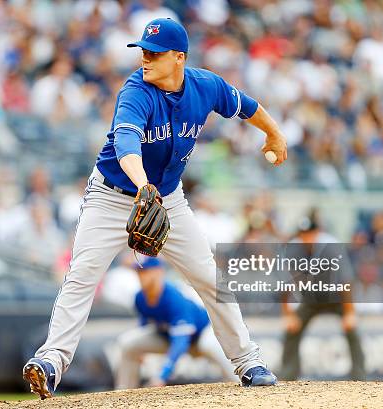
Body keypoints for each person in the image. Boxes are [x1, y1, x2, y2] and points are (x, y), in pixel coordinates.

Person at [23, 18, 287, 399]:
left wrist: (274, 132)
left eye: (155, 53)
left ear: (179, 57)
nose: (145, 58)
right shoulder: (135, 91)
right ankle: (50, 362)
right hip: (112, 195)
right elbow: (126, 140)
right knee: (81, 275)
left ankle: (248, 363)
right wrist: (143, 183)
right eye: (143, 51)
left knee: (210, 277)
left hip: (168, 198)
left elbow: (247, 107)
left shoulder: (205, 86)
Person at [115, 257, 237, 389]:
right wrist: (141, 352)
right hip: (169, 337)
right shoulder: (140, 298)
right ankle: (124, 393)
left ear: (159, 272)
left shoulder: (174, 298)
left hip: (202, 334)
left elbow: (180, 342)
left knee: (209, 345)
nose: (141, 276)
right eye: (138, 272)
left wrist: (162, 375)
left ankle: (243, 387)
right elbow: (146, 321)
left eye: (146, 271)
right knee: (128, 343)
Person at [279, 212, 365, 381]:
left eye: (310, 233)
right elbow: (286, 283)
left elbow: (345, 281)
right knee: (291, 330)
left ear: (318, 232)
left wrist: (349, 312)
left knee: (352, 329)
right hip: (311, 299)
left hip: (336, 297)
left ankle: (359, 377)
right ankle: (288, 376)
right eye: (303, 234)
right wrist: (288, 314)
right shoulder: (293, 249)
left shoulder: (331, 246)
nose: (307, 237)